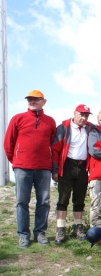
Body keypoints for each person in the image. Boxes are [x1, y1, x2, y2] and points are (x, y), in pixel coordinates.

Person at [3, 90, 56, 248]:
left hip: (44, 168)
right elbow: (8, 143)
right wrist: (17, 161)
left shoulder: (50, 121)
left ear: (43, 102)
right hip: (22, 168)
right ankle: (23, 235)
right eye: (29, 99)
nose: (32, 101)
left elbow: (53, 144)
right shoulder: (17, 118)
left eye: (35, 99)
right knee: (21, 202)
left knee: (44, 202)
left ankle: (40, 233)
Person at [52, 104, 96, 245]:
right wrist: (55, 170)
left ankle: (78, 226)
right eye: (81, 114)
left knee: (79, 198)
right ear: (75, 113)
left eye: (86, 115)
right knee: (63, 198)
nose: (83, 118)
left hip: (83, 167)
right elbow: (55, 150)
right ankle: (60, 228)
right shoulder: (64, 127)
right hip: (67, 165)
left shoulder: (90, 127)